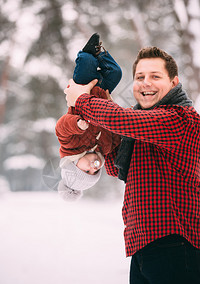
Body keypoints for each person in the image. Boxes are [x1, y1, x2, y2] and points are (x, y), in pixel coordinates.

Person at [65, 46, 200, 283]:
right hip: (143, 247)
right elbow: (116, 166)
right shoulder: (142, 129)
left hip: (178, 247)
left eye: (155, 76)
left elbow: (121, 119)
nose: (146, 83)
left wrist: (82, 99)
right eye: (140, 77)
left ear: (174, 82)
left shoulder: (181, 118)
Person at [55, 33, 122, 201]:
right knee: (115, 72)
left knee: (87, 62)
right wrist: (116, 108)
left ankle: (88, 52)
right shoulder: (105, 149)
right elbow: (116, 134)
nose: (93, 167)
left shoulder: (70, 147)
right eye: (95, 172)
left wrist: (77, 124)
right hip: (101, 93)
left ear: (73, 164)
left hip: (82, 89)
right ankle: (100, 53)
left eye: (86, 170)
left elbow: (61, 128)